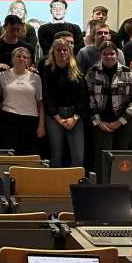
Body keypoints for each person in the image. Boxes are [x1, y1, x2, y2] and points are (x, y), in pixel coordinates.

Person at [88, 41, 132, 158]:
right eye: (105, 54)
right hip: (101, 121)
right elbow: (89, 99)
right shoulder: (92, 73)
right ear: (100, 55)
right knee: (102, 157)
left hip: (124, 121)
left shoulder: (128, 73)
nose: (108, 56)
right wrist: (98, 122)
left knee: (121, 157)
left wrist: (119, 122)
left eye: (112, 53)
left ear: (117, 54)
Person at [40, 37, 88, 167]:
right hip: (54, 116)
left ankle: (76, 179)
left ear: (69, 52)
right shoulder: (47, 70)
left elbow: (83, 96)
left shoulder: (77, 70)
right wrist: (58, 118)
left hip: (74, 115)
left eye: (65, 50)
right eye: (59, 50)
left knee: (78, 156)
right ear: (53, 52)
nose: (62, 53)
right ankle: (57, 180)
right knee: (56, 155)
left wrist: (75, 118)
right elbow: (46, 96)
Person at [0, 47, 44, 155]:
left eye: (25, 57)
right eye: (18, 56)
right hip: (8, 117)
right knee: (8, 153)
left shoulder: (36, 77)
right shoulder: (1, 76)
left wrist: (41, 125)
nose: (21, 59)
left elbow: (40, 103)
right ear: (12, 58)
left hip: (30, 119)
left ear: (29, 60)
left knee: (27, 154)